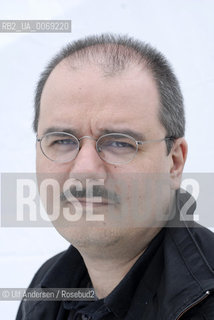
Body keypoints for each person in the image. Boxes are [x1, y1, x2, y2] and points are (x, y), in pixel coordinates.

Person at [16, 34, 214, 319]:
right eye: (62, 140)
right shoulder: (45, 292)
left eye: (119, 142)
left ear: (174, 162)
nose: (85, 169)